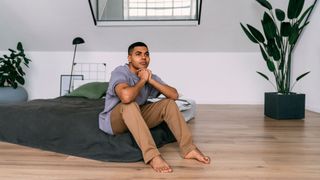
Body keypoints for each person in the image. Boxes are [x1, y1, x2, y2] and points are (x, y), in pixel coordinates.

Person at [99, 42, 210, 173]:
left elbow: (173, 95)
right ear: (129, 58)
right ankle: (152, 156)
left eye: (146, 54)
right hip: (114, 121)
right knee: (130, 105)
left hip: (136, 115)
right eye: (138, 54)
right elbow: (126, 98)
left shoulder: (149, 76)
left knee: (168, 104)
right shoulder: (120, 72)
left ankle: (189, 149)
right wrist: (142, 81)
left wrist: (150, 80)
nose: (143, 58)